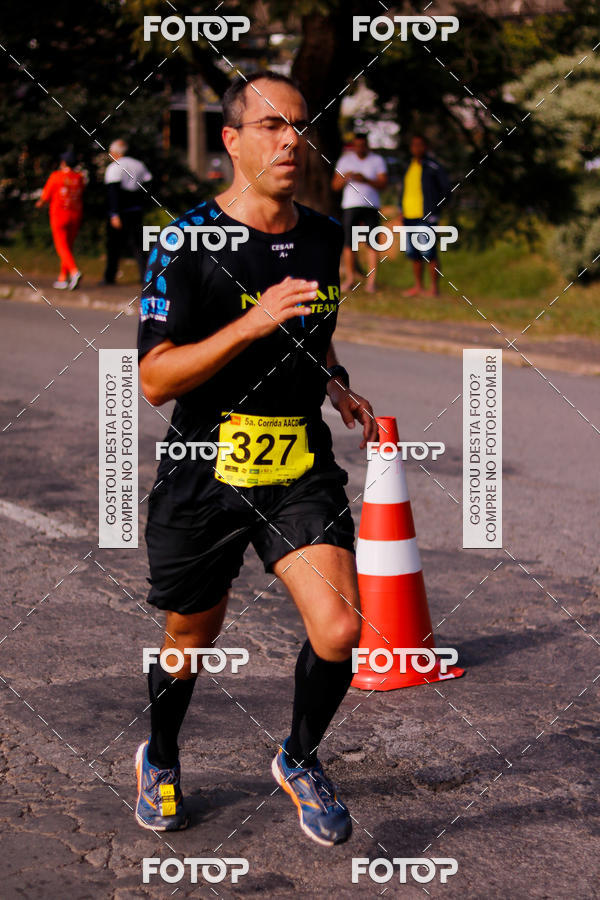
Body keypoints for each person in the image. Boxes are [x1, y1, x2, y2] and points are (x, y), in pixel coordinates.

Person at [135, 70, 378, 846]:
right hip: (206, 467)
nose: (290, 141)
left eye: (300, 125)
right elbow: (152, 380)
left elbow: (315, 331)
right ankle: (162, 757)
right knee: (189, 640)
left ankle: (299, 757)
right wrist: (250, 325)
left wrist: (337, 384)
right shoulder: (185, 242)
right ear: (232, 140)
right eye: (271, 126)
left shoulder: (321, 235)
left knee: (340, 627)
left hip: (296, 459)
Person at [331, 132, 388, 293]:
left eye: (363, 145)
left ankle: (371, 282)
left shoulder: (377, 160)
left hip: (371, 206)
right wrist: (346, 177)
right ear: (353, 146)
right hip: (350, 205)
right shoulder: (345, 161)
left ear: (367, 145)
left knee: (372, 244)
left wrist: (366, 180)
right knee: (349, 243)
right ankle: (350, 279)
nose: (360, 148)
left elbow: (384, 184)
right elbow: (334, 186)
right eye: (357, 145)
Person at [398, 134, 450, 297]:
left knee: (429, 252)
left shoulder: (433, 166)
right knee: (413, 253)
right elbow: (404, 190)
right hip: (409, 215)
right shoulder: (409, 165)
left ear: (426, 147)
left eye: (420, 145)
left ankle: (434, 288)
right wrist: (401, 209)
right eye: (413, 145)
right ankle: (418, 286)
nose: (416, 148)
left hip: (426, 216)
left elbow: (446, 190)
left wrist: (436, 209)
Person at [100, 139, 151, 285]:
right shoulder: (139, 165)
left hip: (120, 212)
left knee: (113, 246)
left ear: (115, 153)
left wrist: (114, 214)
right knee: (139, 245)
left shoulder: (114, 167)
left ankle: (110, 277)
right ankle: (145, 276)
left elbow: (113, 193)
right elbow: (148, 184)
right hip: (136, 210)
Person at [35, 150, 84, 290]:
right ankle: (63, 278)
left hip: (59, 215)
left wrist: (39, 204)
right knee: (68, 246)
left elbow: (45, 196)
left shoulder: (56, 176)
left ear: (63, 163)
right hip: (75, 215)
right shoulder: (79, 177)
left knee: (61, 246)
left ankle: (74, 272)